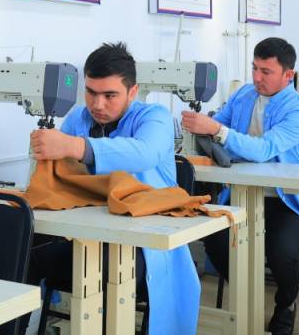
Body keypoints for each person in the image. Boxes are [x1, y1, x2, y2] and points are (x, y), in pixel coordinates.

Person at [27, 42, 200, 334]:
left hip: (145, 247)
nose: (98, 104)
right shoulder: (78, 119)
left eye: (110, 95)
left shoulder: (154, 117)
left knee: (100, 271)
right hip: (87, 236)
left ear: (133, 92)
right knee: (20, 251)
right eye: (91, 93)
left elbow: (144, 152)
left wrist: (74, 146)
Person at [182, 37, 299, 335]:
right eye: (254, 68)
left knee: (281, 250)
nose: (257, 77)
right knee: (215, 239)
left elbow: (263, 149)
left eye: (266, 71)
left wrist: (218, 131)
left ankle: (286, 304)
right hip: (240, 195)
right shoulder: (244, 95)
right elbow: (216, 126)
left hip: (286, 203)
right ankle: (245, 293)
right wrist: (202, 128)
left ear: (288, 75)